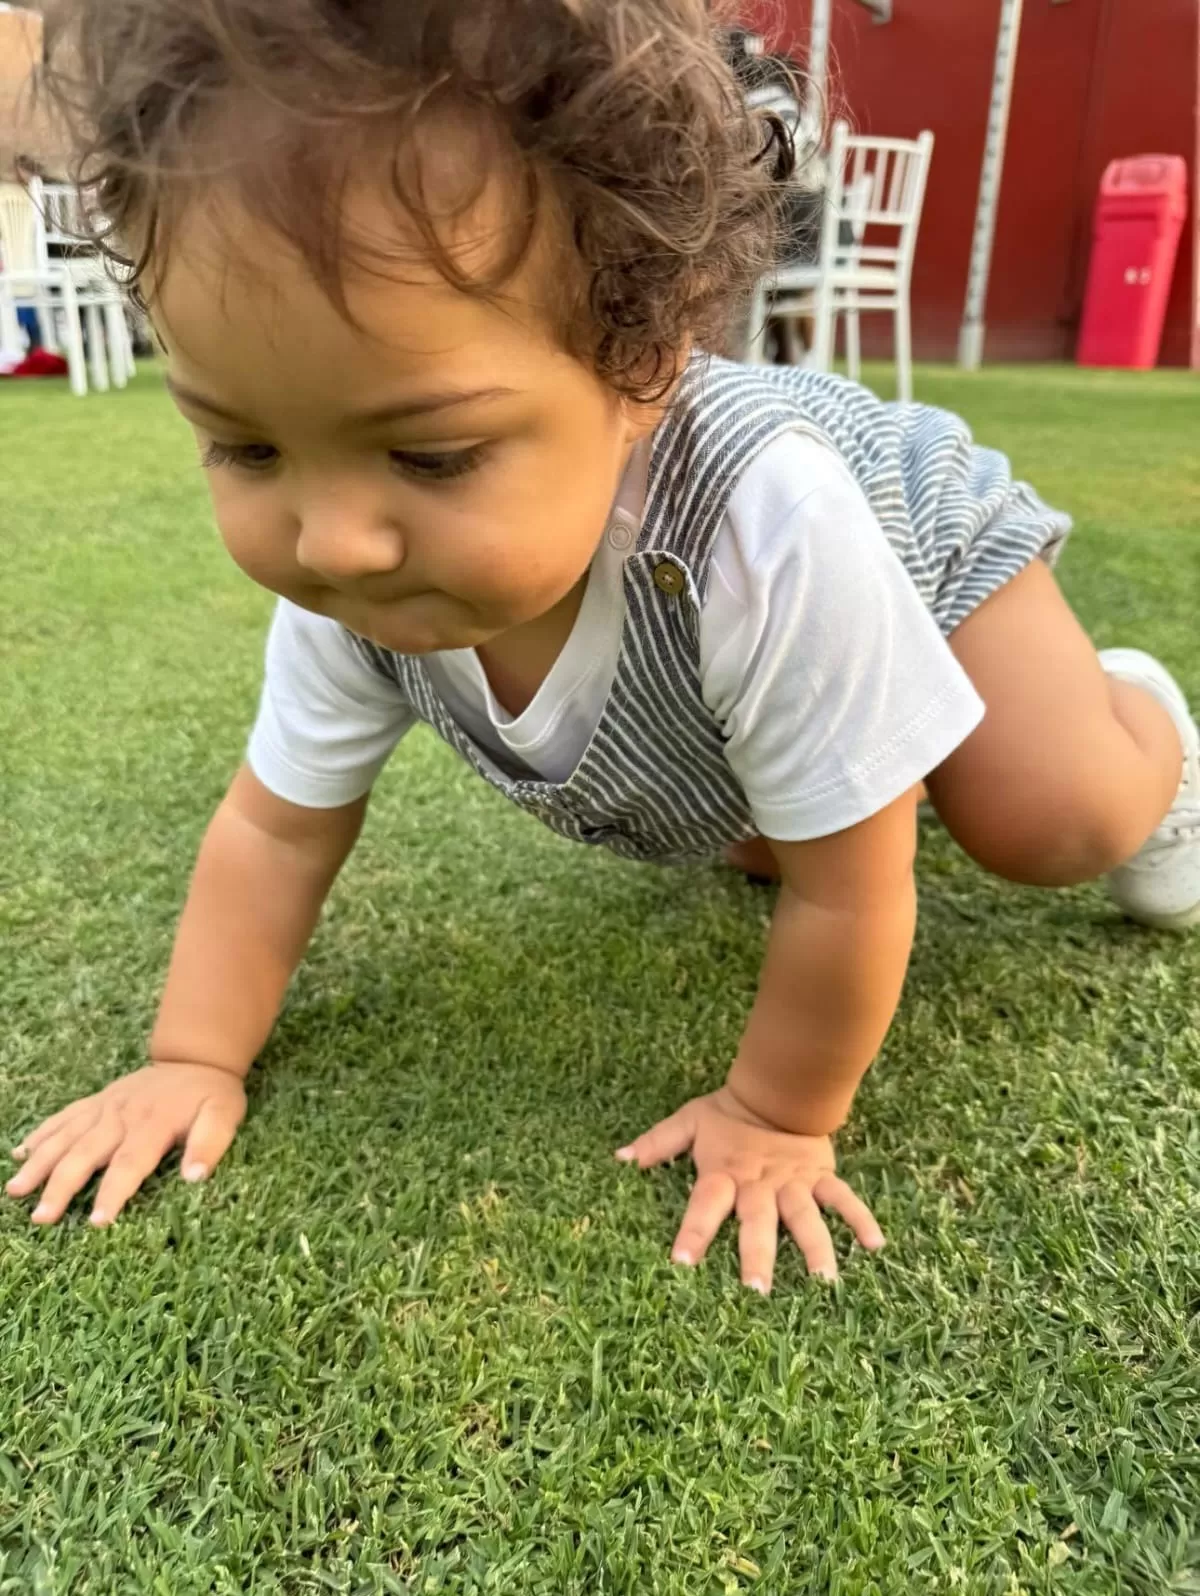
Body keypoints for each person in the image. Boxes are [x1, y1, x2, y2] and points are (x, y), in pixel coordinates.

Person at [10, 0, 1197, 1295]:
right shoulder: (352, 580)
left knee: (1046, 819)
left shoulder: (762, 522)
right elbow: (277, 831)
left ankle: (1149, 731)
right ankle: (829, 745)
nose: (335, 540)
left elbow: (855, 888)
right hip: (753, 666)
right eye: (249, 447)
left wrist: (779, 1115)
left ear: (643, 360)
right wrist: (192, 1055)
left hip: (918, 545)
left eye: (431, 453)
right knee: (773, 829)